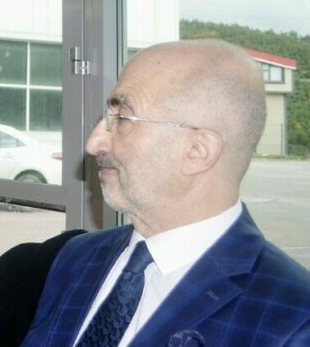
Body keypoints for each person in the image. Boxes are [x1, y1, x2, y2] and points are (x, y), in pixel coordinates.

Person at [22, 40, 310, 346]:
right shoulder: (76, 258)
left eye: (122, 119)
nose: (94, 144)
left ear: (197, 151)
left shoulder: (294, 321)